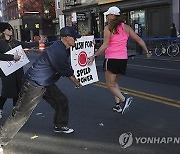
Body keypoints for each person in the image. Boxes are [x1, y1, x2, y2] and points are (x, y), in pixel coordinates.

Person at [0, 26, 82, 152]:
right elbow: (66, 71)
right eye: (74, 37)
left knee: (61, 100)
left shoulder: (63, 46)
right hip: (34, 83)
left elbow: (79, 50)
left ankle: (60, 125)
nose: (76, 39)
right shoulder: (58, 51)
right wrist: (77, 82)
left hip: (45, 82)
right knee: (21, 114)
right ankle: (1, 140)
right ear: (66, 38)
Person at [88, 6, 151, 114]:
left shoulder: (108, 28)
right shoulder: (126, 27)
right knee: (115, 82)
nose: (107, 16)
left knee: (109, 84)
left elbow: (105, 45)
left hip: (112, 58)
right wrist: (147, 51)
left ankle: (124, 99)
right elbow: (139, 39)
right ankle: (117, 105)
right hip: (123, 59)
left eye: (108, 15)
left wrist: (94, 56)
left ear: (113, 15)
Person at [0, 22, 40, 119]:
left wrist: (39, 42)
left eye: (11, 29)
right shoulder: (0, 43)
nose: (11, 30)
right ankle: (0, 108)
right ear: (3, 31)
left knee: (18, 88)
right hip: (6, 70)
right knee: (7, 90)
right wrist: (12, 57)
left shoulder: (14, 42)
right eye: (8, 29)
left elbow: (26, 45)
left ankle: (15, 109)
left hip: (17, 69)